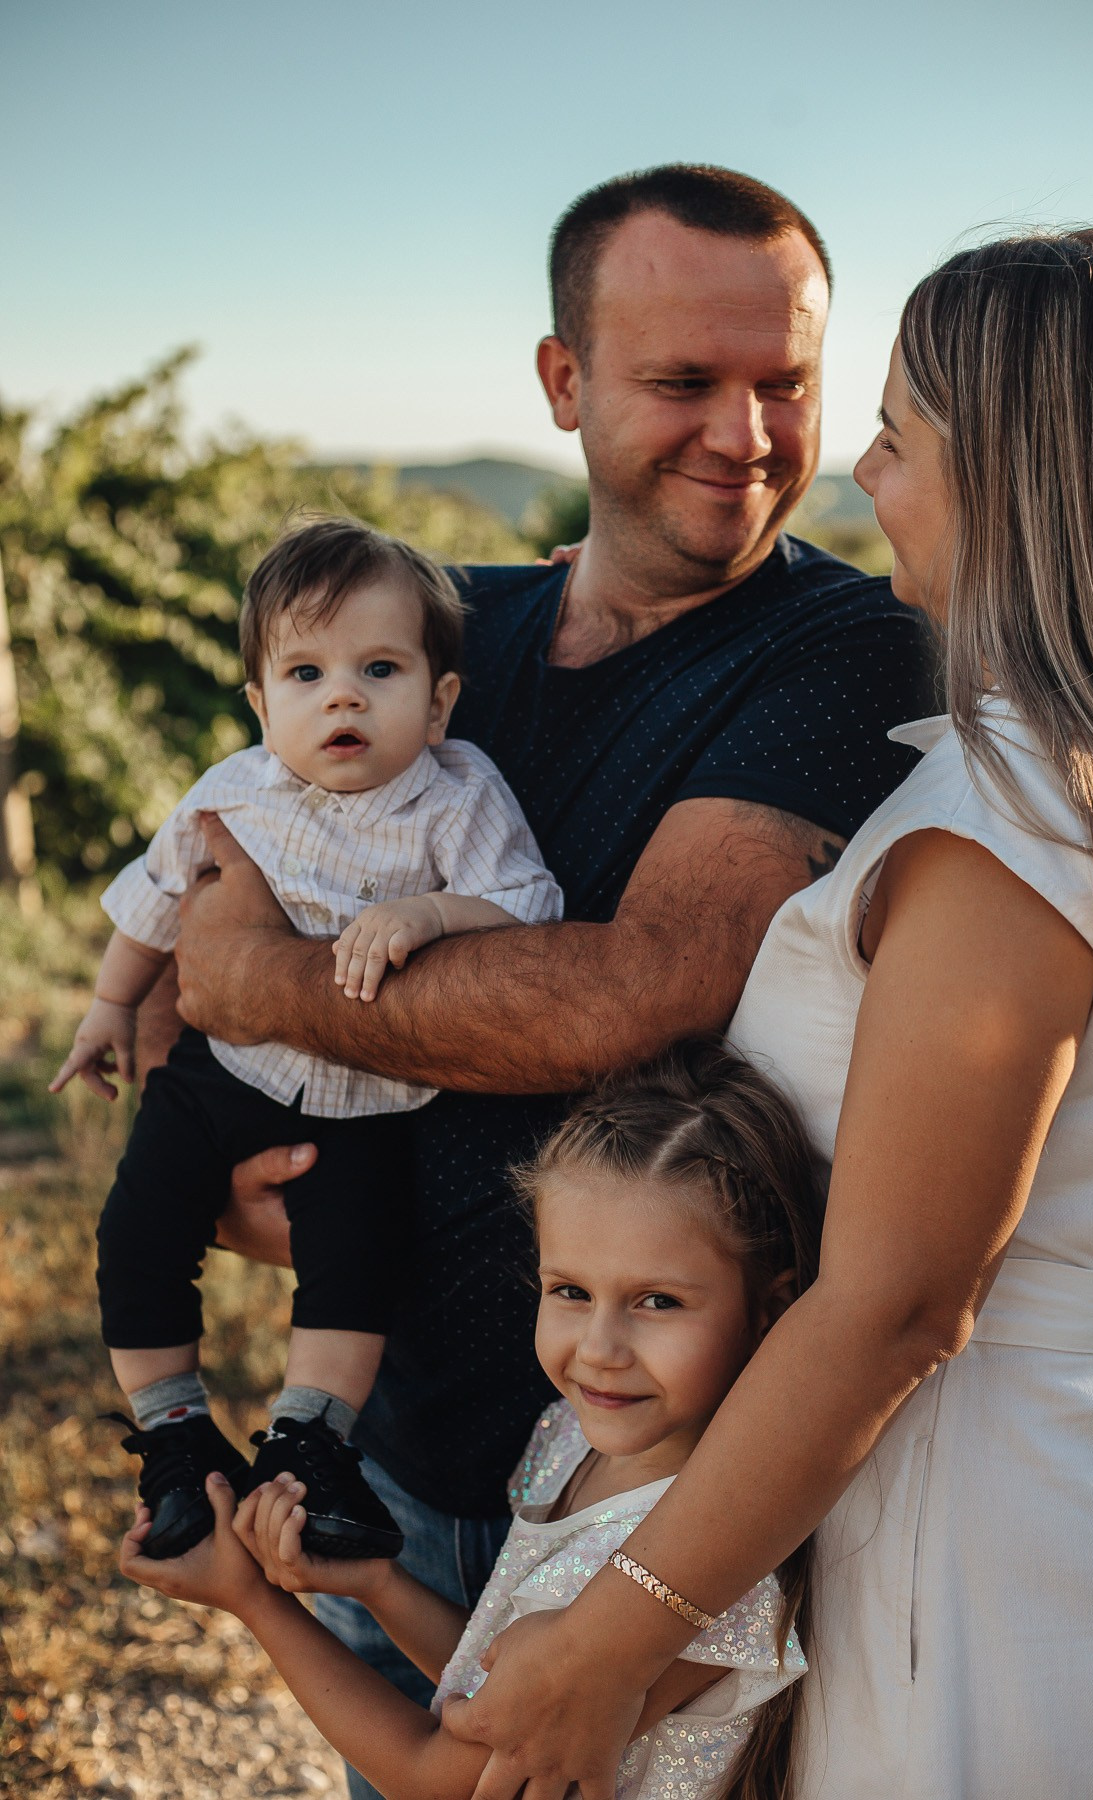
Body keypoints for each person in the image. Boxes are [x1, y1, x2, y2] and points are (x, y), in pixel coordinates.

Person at [148, 164, 935, 1798]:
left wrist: (253, 983)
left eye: (786, 381)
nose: (750, 432)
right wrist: (230, 1150)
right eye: (683, 383)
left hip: (616, 1469)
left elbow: (619, 999)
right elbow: (207, 894)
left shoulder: (844, 651)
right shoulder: (431, 632)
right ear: (561, 384)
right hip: (372, 1414)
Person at [441, 227, 1093, 1800]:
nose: (857, 468)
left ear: (1004, 475)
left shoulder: (1005, 836)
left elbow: (897, 1306)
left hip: (978, 1560)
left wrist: (616, 1634)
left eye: (897, 435)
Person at [120, 1041, 819, 1800]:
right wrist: (379, 1585)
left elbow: (435, 1776)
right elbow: (497, 1679)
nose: (600, 1350)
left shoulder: (714, 1561)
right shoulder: (568, 1432)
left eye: (659, 1301)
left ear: (769, 1309)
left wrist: (255, 1602)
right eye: (570, 1291)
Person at [56, 516, 561, 1562]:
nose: (344, 696)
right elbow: (157, 900)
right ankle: (175, 1432)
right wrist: (110, 1008)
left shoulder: (455, 794)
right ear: (261, 703)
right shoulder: (232, 791)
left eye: (380, 669)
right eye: (306, 672)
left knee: (354, 1271)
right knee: (138, 1232)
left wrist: (428, 914)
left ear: (439, 702)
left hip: (370, 1095)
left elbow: (526, 901)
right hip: (221, 1070)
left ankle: (307, 1445)